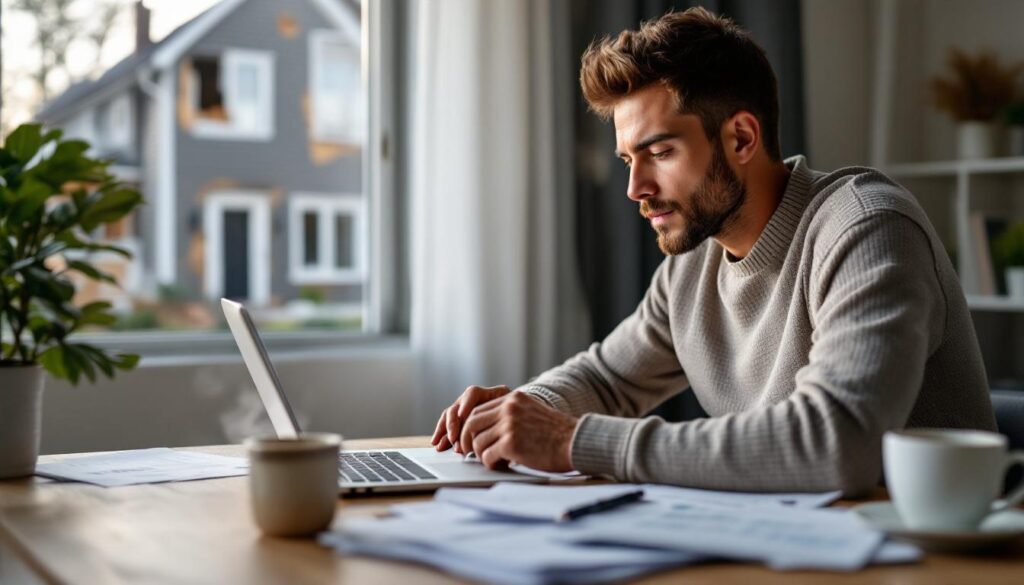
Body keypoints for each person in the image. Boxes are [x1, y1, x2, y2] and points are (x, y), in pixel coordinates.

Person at [430, 7, 996, 495]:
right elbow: (607, 381)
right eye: (630, 160)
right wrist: (513, 415)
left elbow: (838, 443)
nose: (636, 189)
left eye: (660, 151)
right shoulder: (692, 264)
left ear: (742, 138)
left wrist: (571, 440)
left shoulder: (866, 227)